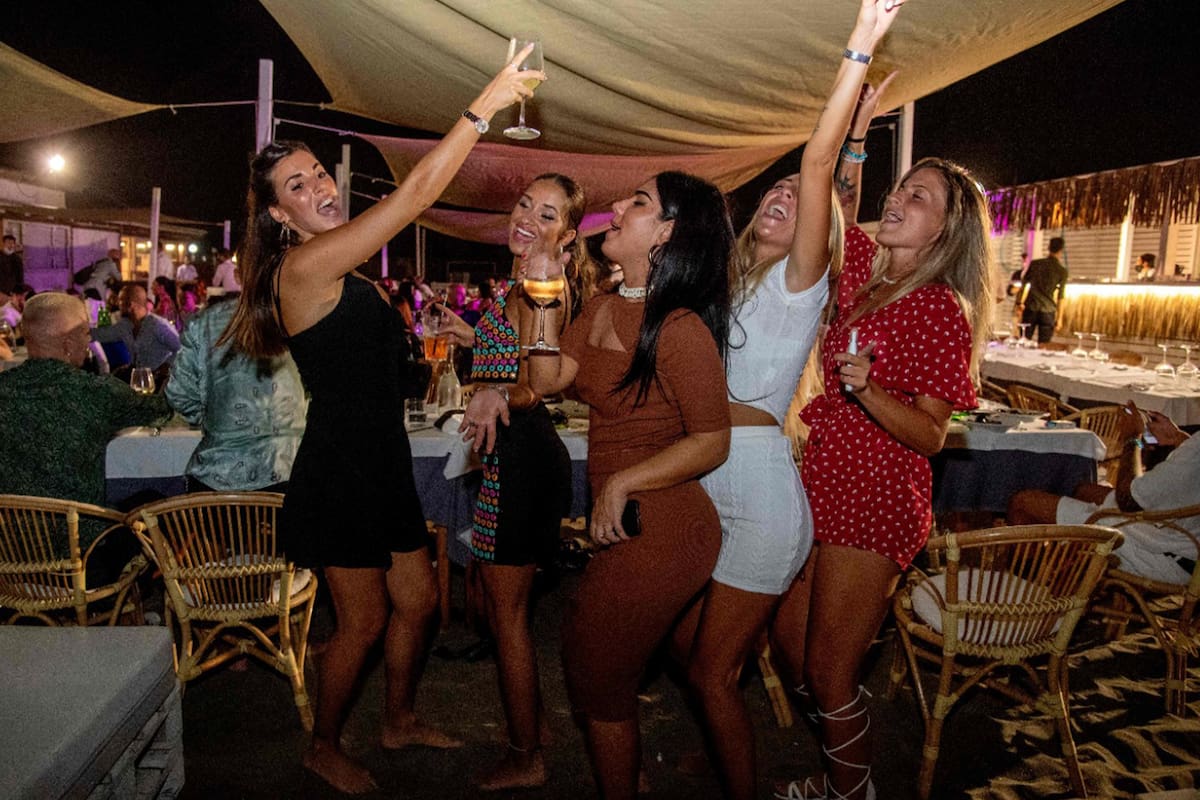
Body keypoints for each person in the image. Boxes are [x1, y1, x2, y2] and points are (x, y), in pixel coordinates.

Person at [218, 55, 539, 795]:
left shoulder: (346, 269)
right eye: (295, 186)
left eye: (317, 174)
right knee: (360, 623)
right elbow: (418, 194)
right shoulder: (301, 270)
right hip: (341, 470)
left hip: (382, 457)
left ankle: (396, 717)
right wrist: (484, 105)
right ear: (277, 216)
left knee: (420, 602)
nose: (318, 187)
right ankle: (321, 744)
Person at [670, 5, 901, 798]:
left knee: (709, 667)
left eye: (794, 196)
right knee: (693, 653)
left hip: (763, 494)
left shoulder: (801, 283)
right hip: (709, 480)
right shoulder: (726, 283)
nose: (782, 195)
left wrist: (859, 52)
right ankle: (725, 744)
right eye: (769, 192)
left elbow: (815, 170)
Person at [772, 33, 993, 800]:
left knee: (830, 667)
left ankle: (851, 790)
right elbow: (835, 208)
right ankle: (842, 765)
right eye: (902, 192)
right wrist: (859, 135)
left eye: (919, 198)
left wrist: (867, 391)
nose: (900, 202)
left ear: (945, 229)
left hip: (877, 497)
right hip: (823, 478)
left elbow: (933, 434)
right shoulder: (865, 274)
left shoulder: (939, 309)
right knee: (791, 649)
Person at [527, 170, 733, 800]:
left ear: (667, 233)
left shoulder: (679, 329)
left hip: (666, 526)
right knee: (634, 666)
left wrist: (623, 482)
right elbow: (545, 379)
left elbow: (712, 438)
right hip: (629, 522)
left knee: (594, 667)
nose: (616, 206)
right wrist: (541, 293)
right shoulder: (603, 306)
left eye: (637, 202)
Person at [441, 173, 586, 791]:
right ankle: (537, 729)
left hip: (520, 459)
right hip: (524, 457)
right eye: (525, 203)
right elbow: (523, 357)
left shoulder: (542, 287)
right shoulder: (528, 284)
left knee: (508, 616)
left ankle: (526, 755)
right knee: (512, 609)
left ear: (569, 234)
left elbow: (542, 383)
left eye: (547, 214)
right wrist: (479, 338)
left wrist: (499, 389)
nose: (527, 217)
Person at [0, 292, 169, 583]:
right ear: (67, 345)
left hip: (11, 559)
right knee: (158, 505)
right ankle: (130, 606)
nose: (89, 341)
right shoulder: (95, 392)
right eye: (85, 333)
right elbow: (161, 409)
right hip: (83, 564)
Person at [1008, 402, 1199, 583]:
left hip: (1166, 558)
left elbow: (1128, 499)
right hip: (1182, 538)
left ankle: (1031, 596)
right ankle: (1066, 570)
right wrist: (1177, 438)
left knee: (1022, 502)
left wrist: (1133, 439)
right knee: (1083, 490)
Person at [165, 292, 307, 493]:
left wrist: (213, 416)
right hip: (288, 475)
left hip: (217, 478)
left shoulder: (204, 322)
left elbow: (178, 394)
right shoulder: (297, 315)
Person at [92, 283, 181, 373]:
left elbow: (181, 349)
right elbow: (102, 335)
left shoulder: (157, 325)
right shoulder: (125, 325)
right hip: (139, 377)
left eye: (120, 301)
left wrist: (164, 367)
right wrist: (82, 332)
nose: (118, 304)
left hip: (160, 380)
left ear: (130, 305)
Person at [1015, 236, 1067, 344]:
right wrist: (1060, 318)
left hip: (1031, 307)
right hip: (1048, 310)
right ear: (1061, 250)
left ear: (1048, 247)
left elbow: (1023, 284)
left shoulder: (1035, 264)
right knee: (1044, 345)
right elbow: (1061, 296)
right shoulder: (1061, 271)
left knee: (1024, 341)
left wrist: (1019, 303)